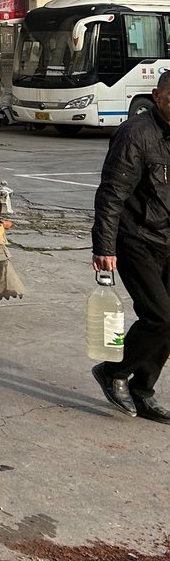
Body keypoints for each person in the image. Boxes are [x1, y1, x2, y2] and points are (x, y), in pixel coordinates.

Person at [90, 71, 170, 423]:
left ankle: (143, 391)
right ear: (157, 95)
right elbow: (111, 194)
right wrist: (104, 246)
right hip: (135, 238)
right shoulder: (135, 135)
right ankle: (114, 371)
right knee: (161, 315)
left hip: (168, 238)